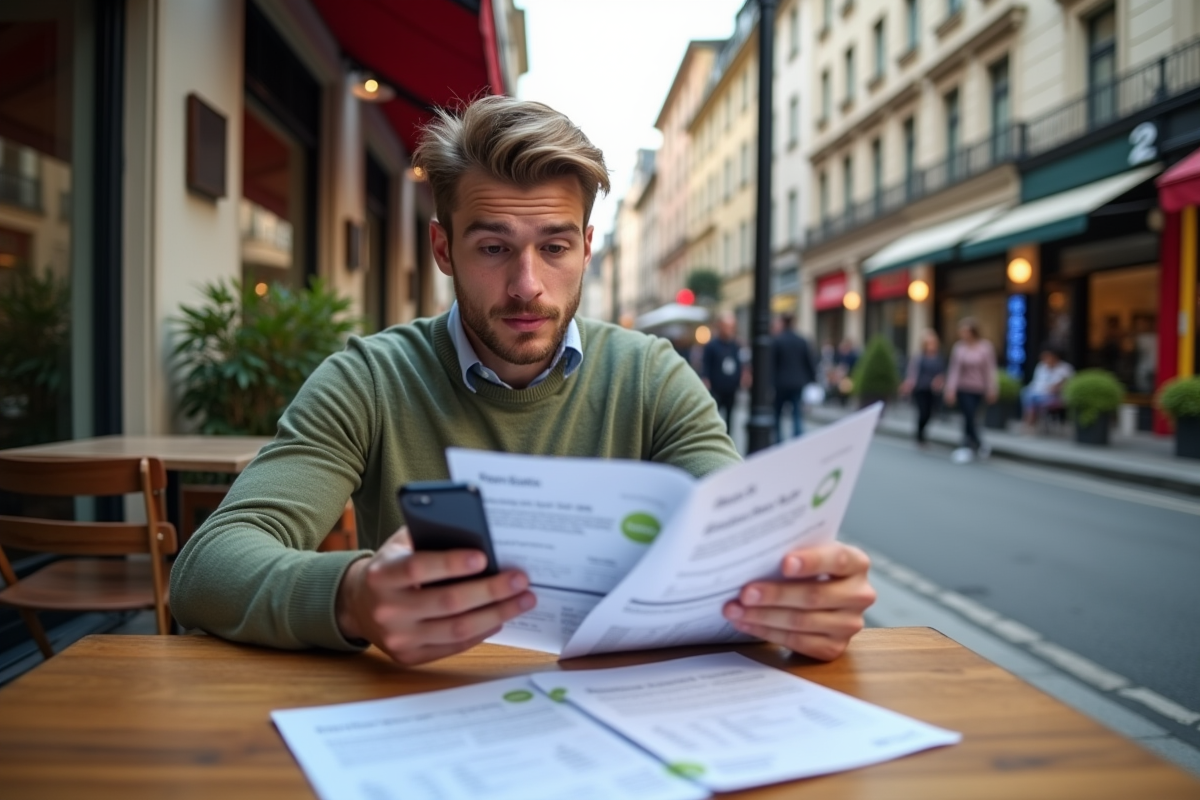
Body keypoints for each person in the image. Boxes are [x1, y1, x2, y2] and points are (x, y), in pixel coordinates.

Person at [170, 96, 874, 667]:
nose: (527, 285)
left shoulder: (653, 376)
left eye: (555, 247)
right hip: (427, 714)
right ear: (444, 249)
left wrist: (800, 600)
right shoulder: (368, 378)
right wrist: (354, 598)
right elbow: (205, 568)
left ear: (588, 250)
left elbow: (740, 549)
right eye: (493, 247)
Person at [944, 318, 997, 463]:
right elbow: (954, 370)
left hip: (979, 388)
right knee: (968, 415)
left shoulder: (985, 347)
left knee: (973, 417)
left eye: (965, 331)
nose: (963, 334)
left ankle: (975, 444)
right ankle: (969, 445)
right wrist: (950, 390)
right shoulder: (959, 348)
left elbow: (989, 370)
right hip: (963, 388)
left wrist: (992, 389)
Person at [771, 313, 818, 440]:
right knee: (797, 414)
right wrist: (813, 379)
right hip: (798, 383)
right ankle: (798, 440)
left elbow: (772, 364)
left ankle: (778, 441)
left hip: (780, 383)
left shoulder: (778, 341)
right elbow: (809, 361)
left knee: (777, 414)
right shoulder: (802, 341)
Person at [701, 312, 746, 434]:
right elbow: (706, 365)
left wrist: (743, 376)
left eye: (731, 326)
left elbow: (741, 362)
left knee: (730, 417)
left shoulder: (736, 345)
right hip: (716, 389)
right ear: (720, 326)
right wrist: (706, 380)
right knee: (714, 417)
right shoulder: (712, 346)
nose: (729, 330)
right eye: (727, 326)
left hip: (731, 388)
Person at [900, 329, 945, 446]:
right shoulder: (919, 357)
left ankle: (922, 433)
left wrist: (940, 381)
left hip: (933, 390)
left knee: (930, 413)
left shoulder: (938, 358)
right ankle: (920, 436)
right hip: (920, 388)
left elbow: (942, 373)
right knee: (923, 412)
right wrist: (908, 385)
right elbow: (912, 373)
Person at [1021, 347, 1074, 428]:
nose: (1045, 359)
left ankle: (1030, 422)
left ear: (1054, 357)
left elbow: (1063, 386)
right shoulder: (1041, 366)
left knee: (1032, 398)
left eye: (1047, 357)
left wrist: (1055, 388)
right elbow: (1036, 382)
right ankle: (1031, 421)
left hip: (1056, 397)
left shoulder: (1065, 368)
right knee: (1026, 393)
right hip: (1038, 394)